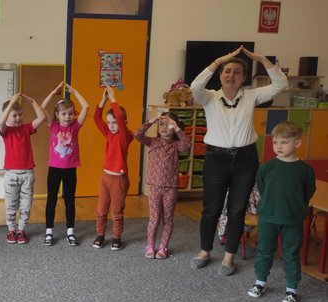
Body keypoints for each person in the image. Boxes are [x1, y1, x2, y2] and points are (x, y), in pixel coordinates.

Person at [189, 46, 287, 275]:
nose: (231, 75)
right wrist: (217, 61)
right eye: (227, 71)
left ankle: (229, 257)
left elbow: (281, 84)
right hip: (216, 159)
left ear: (243, 78)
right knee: (211, 209)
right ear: (220, 75)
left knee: (237, 210)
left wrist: (262, 59)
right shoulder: (209, 97)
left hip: (245, 160)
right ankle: (204, 251)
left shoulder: (251, 96)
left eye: (237, 72)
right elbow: (195, 86)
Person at [247, 121, 316, 302]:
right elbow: (262, 188)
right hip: (268, 218)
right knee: (264, 251)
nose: (278, 146)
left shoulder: (305, 170)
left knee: (291, 255)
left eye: (284, 142)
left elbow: (308, 192)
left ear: (297, 143)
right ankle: (260, 282)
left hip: (293, 220)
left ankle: (292, 289)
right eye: (275, 142)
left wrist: (295, 207)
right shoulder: (266, 168)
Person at [134, 112, 191, 258]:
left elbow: (187, 145)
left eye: (168, 125)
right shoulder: (153, 141)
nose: (164, 128)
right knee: (154, 218)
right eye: (161, 125)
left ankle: (163, 247)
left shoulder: (177, 145)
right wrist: (151, 121)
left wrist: (177, 128)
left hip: (171, 188)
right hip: (154, 186)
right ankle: (150, 246)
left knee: (168, 218)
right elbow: (137, 134)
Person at [39, 82, 89, 246]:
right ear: (57, 115)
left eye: (71, 113)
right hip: (54, 169)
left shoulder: (75, 126)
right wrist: (53, 92)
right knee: (51, 200)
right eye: (64, 114)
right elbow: (41, 107)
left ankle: (70, 232)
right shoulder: (52, 126)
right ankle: (49, 231)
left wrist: (74, 91)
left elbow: (86, 106)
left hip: (70, 169)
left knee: (70, 200)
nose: (68, 117)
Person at [0, 93, 46, 244]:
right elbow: (1, 123)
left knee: (26, 206)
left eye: (20, 114)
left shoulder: (26, 129)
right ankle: (11, 230)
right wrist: (11, 102)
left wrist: (32, 100)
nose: (18, 118)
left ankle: (21, 230)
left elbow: (42, 117)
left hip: (27, 174)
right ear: (7, 117)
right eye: (14, 115)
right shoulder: (6, 131)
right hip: (11, 175)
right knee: (11, 205)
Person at [93, 86, 133, 250]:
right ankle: (100, 235)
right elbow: (96, 118)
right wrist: (104, 99)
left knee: (116, 212)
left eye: (115, 123)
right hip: (106, 178)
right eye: (109, 122)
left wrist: (114, 99)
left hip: (119, 180)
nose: (111, 125)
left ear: (123, 124)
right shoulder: (109, 134)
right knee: (101, 210)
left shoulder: (125, 137)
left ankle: (116, 237)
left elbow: (119, 117)